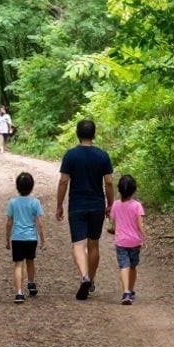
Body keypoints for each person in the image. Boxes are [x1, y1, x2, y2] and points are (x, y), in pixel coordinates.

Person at [55, 119, 114, 300]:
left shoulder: (70, 155)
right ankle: (92, 280)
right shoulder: (102, 155)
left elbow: (64, 181)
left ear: (77, 133)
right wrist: (110, 205)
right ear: (93, 134)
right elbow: (109, 182)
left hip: (77, 206)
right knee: (94, 244)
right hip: (96, 205)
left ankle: (84, 276)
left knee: (78, 244)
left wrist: (59, 204)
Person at [5, 172, 45, 304]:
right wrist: (43, 240)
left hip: (17, 237)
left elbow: (9, 222)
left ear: (17, 187)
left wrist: (7, 239)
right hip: (31, 238)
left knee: (18, 264)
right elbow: (40, 223)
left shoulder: (13, 203)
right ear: (32, 186)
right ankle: (31, 283)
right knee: (30, 261)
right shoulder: (35, 202)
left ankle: (19, 293)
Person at [109, 174, 145, 305]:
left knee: (124, 266)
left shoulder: (115, 205)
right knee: (133, 266)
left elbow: (113, 223)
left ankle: (126, 292)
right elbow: (140, 224)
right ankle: (131, 289)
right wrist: (144, 236)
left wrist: (114, 229)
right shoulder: (137, 206)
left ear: (119, 189)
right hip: (135, 241)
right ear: (134, 189)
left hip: (121, 242)